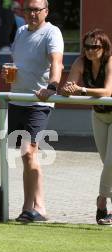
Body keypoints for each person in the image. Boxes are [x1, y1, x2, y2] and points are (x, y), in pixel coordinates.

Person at [1, 0, 64, 222]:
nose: (33, 13)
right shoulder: (20, 31)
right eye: (29, 9)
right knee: (27, 156)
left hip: (39, 102)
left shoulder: (52, 32)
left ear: (46, 11)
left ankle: (33, 208)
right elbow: (18, 62)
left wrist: (52, 87)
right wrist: (8, 73)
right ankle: (36, 207)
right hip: (18, 99)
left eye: (37, 10)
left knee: (29, 152)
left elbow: (57, 62)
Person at [60, 29, 112, 225]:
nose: (90, 51)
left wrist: (81, 89)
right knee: (106, 163)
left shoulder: (110, 62)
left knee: (111, 162)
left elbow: (107, 91)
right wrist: (67, 89)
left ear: (104, 48)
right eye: (87, 46)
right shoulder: (81, 62)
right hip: (98, 115)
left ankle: (101, 202)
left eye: (95, 47)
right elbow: (68, 86)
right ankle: (106, 208)